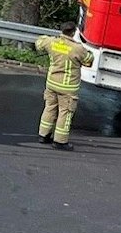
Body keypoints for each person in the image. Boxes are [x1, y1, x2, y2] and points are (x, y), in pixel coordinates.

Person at [34, 22, 94, 150]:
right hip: (67, 87)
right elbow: (89, 60)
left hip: (51, 83)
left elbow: (39, 42)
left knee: (49, 108)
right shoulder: (77, 48)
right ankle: (60, 141)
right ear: (74, 32)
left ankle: (43, 135)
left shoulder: (52, 42)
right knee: (65, 113)